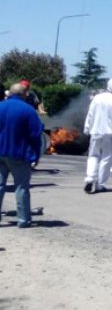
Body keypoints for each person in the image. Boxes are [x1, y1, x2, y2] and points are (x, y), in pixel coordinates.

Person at [0, 83, 43, 227]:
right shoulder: (28, 110)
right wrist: (36, 155)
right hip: (18, 153)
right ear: (24, 94)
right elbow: (36, 134)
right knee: (21, 187)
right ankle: (23, 219)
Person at [83, 78, 112, 194]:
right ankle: (100, 184)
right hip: (110, 133)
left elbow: (90, 113)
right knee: (106, 157)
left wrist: (87, 127)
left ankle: (90, 177)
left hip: (95, 130)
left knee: (93, 155)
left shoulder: (97, 97)